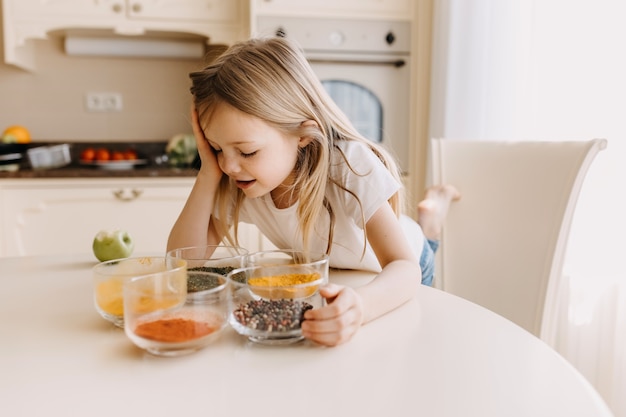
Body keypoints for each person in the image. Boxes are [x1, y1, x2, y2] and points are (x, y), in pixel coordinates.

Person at [167, 36, 460, 347]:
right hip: (340, 275)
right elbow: (186, 262)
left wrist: (360, 307)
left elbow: (404, 268)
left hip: (400, 266)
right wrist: (206, 171)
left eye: (247, 151)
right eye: (216, 149)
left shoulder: (348, 168)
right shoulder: (240, 180)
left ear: (302, 135)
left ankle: (430, 219)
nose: (229, 165)